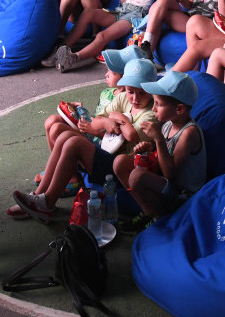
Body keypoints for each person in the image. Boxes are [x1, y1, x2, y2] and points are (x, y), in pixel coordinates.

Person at [13, 58, 157, 223]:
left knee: (75, 143)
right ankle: (38, 196)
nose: (135, 98)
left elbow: (131, 136)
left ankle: (47, 203)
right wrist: (105, 121)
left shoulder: (150, 113)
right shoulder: (123, 97)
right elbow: (95, 123)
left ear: (151, 90)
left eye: (142, 92)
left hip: (122, 169)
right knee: (65, 136)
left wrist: (117, 116)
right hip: (107, 153)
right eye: (131, 91)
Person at [113, 71, 205, 223]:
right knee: (120, 162)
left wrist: (159, 140)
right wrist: (149, 150)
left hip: (182, 195)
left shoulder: (189, 133)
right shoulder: (169, 124)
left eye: (159, 104)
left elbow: (170, 174)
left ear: (179, 109)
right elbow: (161, 157)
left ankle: (159, 219)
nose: (153, 108)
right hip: (165, 183)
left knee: (137, 176)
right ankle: (148, 210)